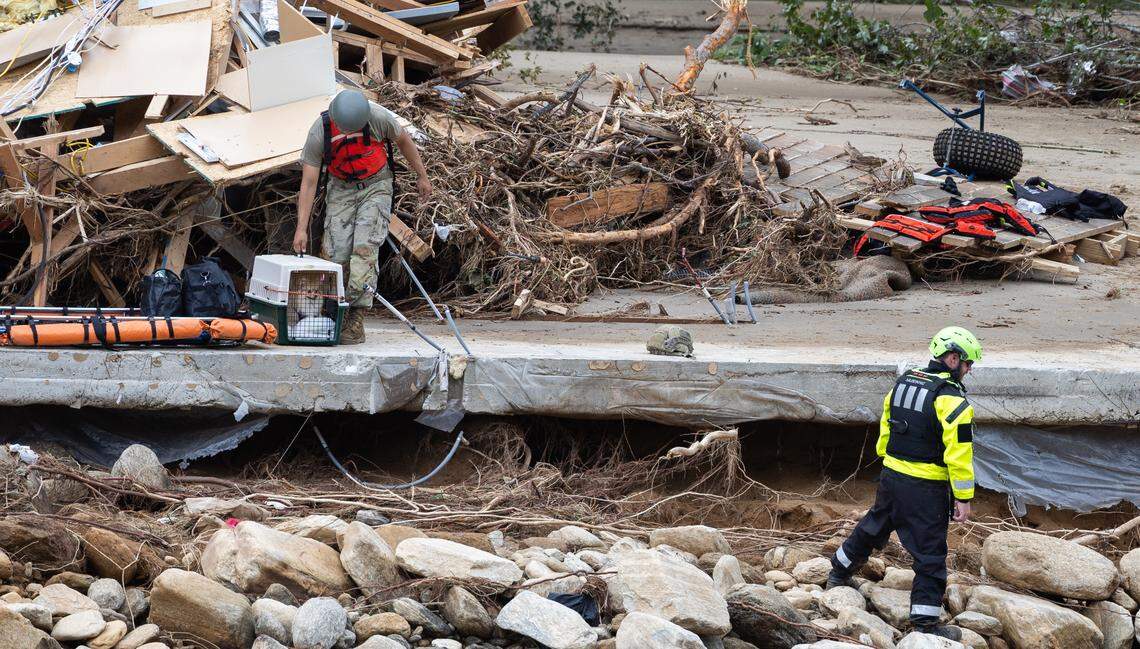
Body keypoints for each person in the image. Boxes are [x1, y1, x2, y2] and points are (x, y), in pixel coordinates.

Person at [826, 326, 981, 641]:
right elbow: (960, 455)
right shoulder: (952, 400)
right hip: (926, 487)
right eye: (968, 364)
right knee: (930, 552)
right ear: (953, 359)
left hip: (892, 477)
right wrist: (963, 497)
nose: (969, 370)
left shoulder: (904, 383)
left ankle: (837, 573)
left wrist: (889, 461)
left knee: (873, 526)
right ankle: (925, 622)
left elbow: (886, 425)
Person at [293, 90, 433, 344]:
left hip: (376, 185)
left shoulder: (378, 117)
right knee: (336, 253)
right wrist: (301, 228)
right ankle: (336, 310)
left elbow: (404, 142)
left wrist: (421, 176)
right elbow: (309, 182)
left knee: (364, 249)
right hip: (341, 188)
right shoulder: (319, 131)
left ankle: (355, 319)